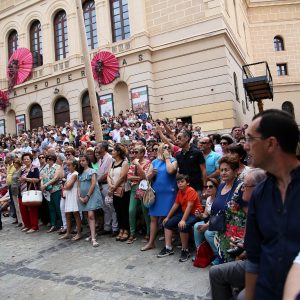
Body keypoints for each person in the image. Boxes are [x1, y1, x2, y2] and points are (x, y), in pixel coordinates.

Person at [244, 109, 300, 300]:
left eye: (251, 139)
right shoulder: (259, 194)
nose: (246, 146)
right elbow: (253, 257)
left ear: (271, 143)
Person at [209, 168, 266, 300]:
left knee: (242, 296)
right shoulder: (254, 209)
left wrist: (248, 249)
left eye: (245, 187)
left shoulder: (271, 211)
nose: (242, 192)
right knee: (216, 272)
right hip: (253, 258)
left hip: (268, 265)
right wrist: (243, 244)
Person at [157, 174, 203, 262]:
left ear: (188, 183)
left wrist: (183, 220)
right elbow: (176, 205)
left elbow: (190, 207)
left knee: (183, 225)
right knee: (167, 223)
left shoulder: (191, 191)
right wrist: (167, 217)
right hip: (184, 213)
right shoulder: (180, 192)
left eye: (182, 182)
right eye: (178, 182)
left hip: (195, 214)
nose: (180, 184)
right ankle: (168, 248)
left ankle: (185, 250)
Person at [141, 143, 177, 251]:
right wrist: (152, 174)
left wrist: (167, 158)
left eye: (168, 148)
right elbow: (147, 178)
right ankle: (151, 242)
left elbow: (171, 170)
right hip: (156, 194)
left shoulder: (173, 160)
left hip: (169, 194)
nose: (166, 149)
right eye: (164, 148)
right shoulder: (154, 162)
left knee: (167, 219)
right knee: (153, 218)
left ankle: (168, 244)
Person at [210, 155, 246, 265]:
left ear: (235, 171)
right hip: (221, 233)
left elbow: (249, 213)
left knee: (233, 267)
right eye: (221, 170)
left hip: (236, 236)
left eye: (227, 170)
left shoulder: (241, 187)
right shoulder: (221, 186)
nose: (223, 172)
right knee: (223, 263)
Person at [127, 145, 151, 244]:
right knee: (131, 210)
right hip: (134, 188)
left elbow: (145, 176)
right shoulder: (133, 163)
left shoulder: (147, 162)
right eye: (133, 152)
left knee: (145, 210)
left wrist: (137, 165)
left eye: (136, 152)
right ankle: (132, 233)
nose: (134, 154)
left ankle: (149, 233)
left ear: (142, 153)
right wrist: (139, 177)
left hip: (143, 188)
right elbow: (129, 177)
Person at [78, 155, 103, 247]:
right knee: (87, 216)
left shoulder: (92, 171)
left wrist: (88, 196)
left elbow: (93, 184)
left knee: (91, 215)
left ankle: (93, 238)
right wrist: (79, 196)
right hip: (83, 196)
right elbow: (78, 186)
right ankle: (92, 234)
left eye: (83, 160)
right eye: (80, 161)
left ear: (88, 161)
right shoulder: (80, 173)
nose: (81, 162)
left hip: (91, 196)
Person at [107, 144, 130, 242]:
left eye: (113, 151)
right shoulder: (112, 163)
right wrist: (111, 186)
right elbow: (108, 175)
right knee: (118, 211)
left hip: (123, 190)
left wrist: (114, 187)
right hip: (114, 190)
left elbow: (122, 177)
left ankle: (126, 230)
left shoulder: (125, 163)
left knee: (124, 211)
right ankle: (121, 229)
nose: (112, 152)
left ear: (119, 152)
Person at [193, 178, 219, 257]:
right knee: (196, 225)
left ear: (216, 188)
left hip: (218, 223)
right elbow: (205, 215)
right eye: (206, 186)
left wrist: (207, 225)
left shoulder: (219, 200)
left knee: (208, 233)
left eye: (210, 186)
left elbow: (217, 218)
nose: (208, 188)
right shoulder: (208, 199)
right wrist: (200, 215)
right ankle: (200, 252)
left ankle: (217, 255)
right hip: (210, 222)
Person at [96, 142, 118, 236]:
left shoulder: (109, 158)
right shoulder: (100, 159)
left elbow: (107, 173)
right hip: (101, 185)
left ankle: (115, 228)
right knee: (105, 208)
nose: (96, 149)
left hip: (106, 184)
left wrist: (98, 181)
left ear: (103, 149)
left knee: (111, 207)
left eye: (98, 147)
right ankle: (107, 227)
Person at [176, 130, 206, 195]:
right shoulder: (178, 155)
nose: (177, 141)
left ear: (187, 138)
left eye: (179, 138)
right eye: (176, 139)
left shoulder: (197, 152)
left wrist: (205, 186)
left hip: (197, 188)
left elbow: (203, 170)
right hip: (184, 189)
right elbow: (179, 172)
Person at [40, 154, 63, 233]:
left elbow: (56, 178)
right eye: (47, 159)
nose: (48, 160)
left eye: (50, 158)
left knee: (58, 207)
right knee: (51, 208)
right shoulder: (45, 167)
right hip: (47, 191)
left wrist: (46, 185)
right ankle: (53, 224)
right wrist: (42, 185)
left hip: (56, 189)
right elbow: (42, 177)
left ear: (54, 159)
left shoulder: (58, 167)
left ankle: (62, 224)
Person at [60, 159, 82, 241]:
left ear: (74, 166)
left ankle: (79, 233)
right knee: (67, 214)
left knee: (76, 214)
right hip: (69, 195)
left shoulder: (75, 174)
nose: (67, 167)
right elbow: (66, 185)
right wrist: (65, 185)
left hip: (74, 195)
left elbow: (67, 186)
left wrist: (65, 185)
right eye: (67, 165)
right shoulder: (69, 174)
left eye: (69, 165)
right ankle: (68, 233)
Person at [19, 153, 40, 233]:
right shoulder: (23, 169)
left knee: (32, 209)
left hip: (30, 191)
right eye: (24, 159)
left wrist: (26, 179)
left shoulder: (34, 168)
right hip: (21, 191)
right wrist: (21, 180)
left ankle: (34, 226)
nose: (26, 160)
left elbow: (37, 179)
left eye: (27, 159)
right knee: (23, 209)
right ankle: (27, 225)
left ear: (31, 159)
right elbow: (21, 178)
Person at [10, 158, 23, 227]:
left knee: (19, 206)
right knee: (16, 206)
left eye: (16, 162)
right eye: (14, 163)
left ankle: (23, 221)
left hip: (18, 189)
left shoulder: (21, 169)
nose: (15, 164)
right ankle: (19, 221)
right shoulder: (14, 170)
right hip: (13, 189)